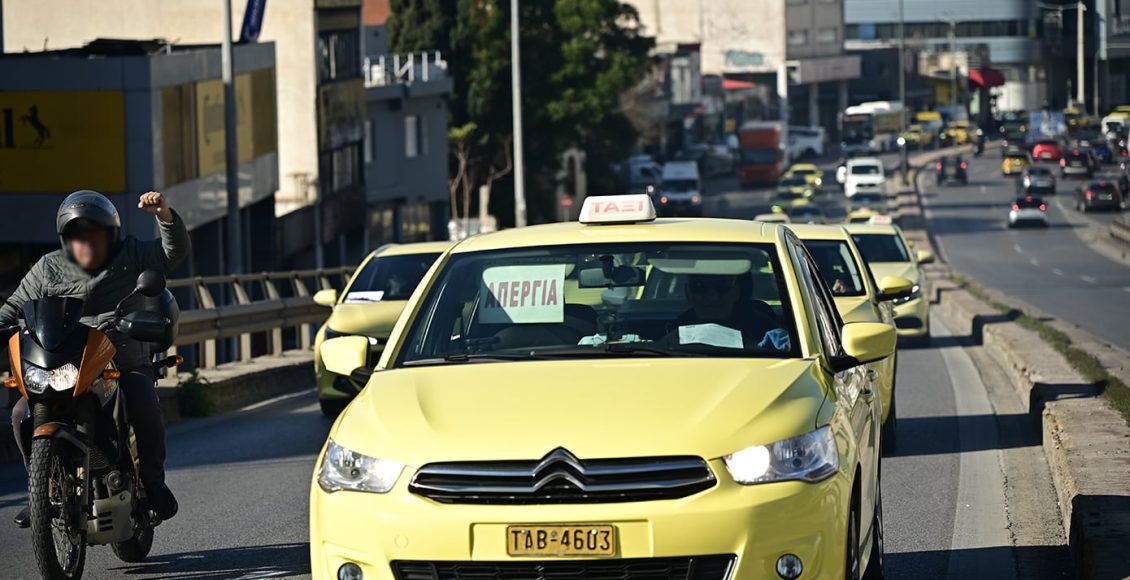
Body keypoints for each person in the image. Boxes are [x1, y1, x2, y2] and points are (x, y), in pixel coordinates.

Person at [2, 190, 190, 528]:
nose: (86, 244)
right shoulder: (48, 268)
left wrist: (163, 214)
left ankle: (153, 481)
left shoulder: (131, 254)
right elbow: (15, 306)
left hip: (122, 358)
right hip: (64, 363)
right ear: (66, 240)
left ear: (110, 235)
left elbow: (171, 254)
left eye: (94, 236)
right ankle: (42, 491)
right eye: (77, 237)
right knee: (20, 413)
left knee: (144, 402)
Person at [672, 273, 788, 351]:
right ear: (688, 293)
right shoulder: (672, 333)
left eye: (722, 286)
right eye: (699, 287)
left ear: (736, 291)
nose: (712, 296)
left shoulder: (765, 331)